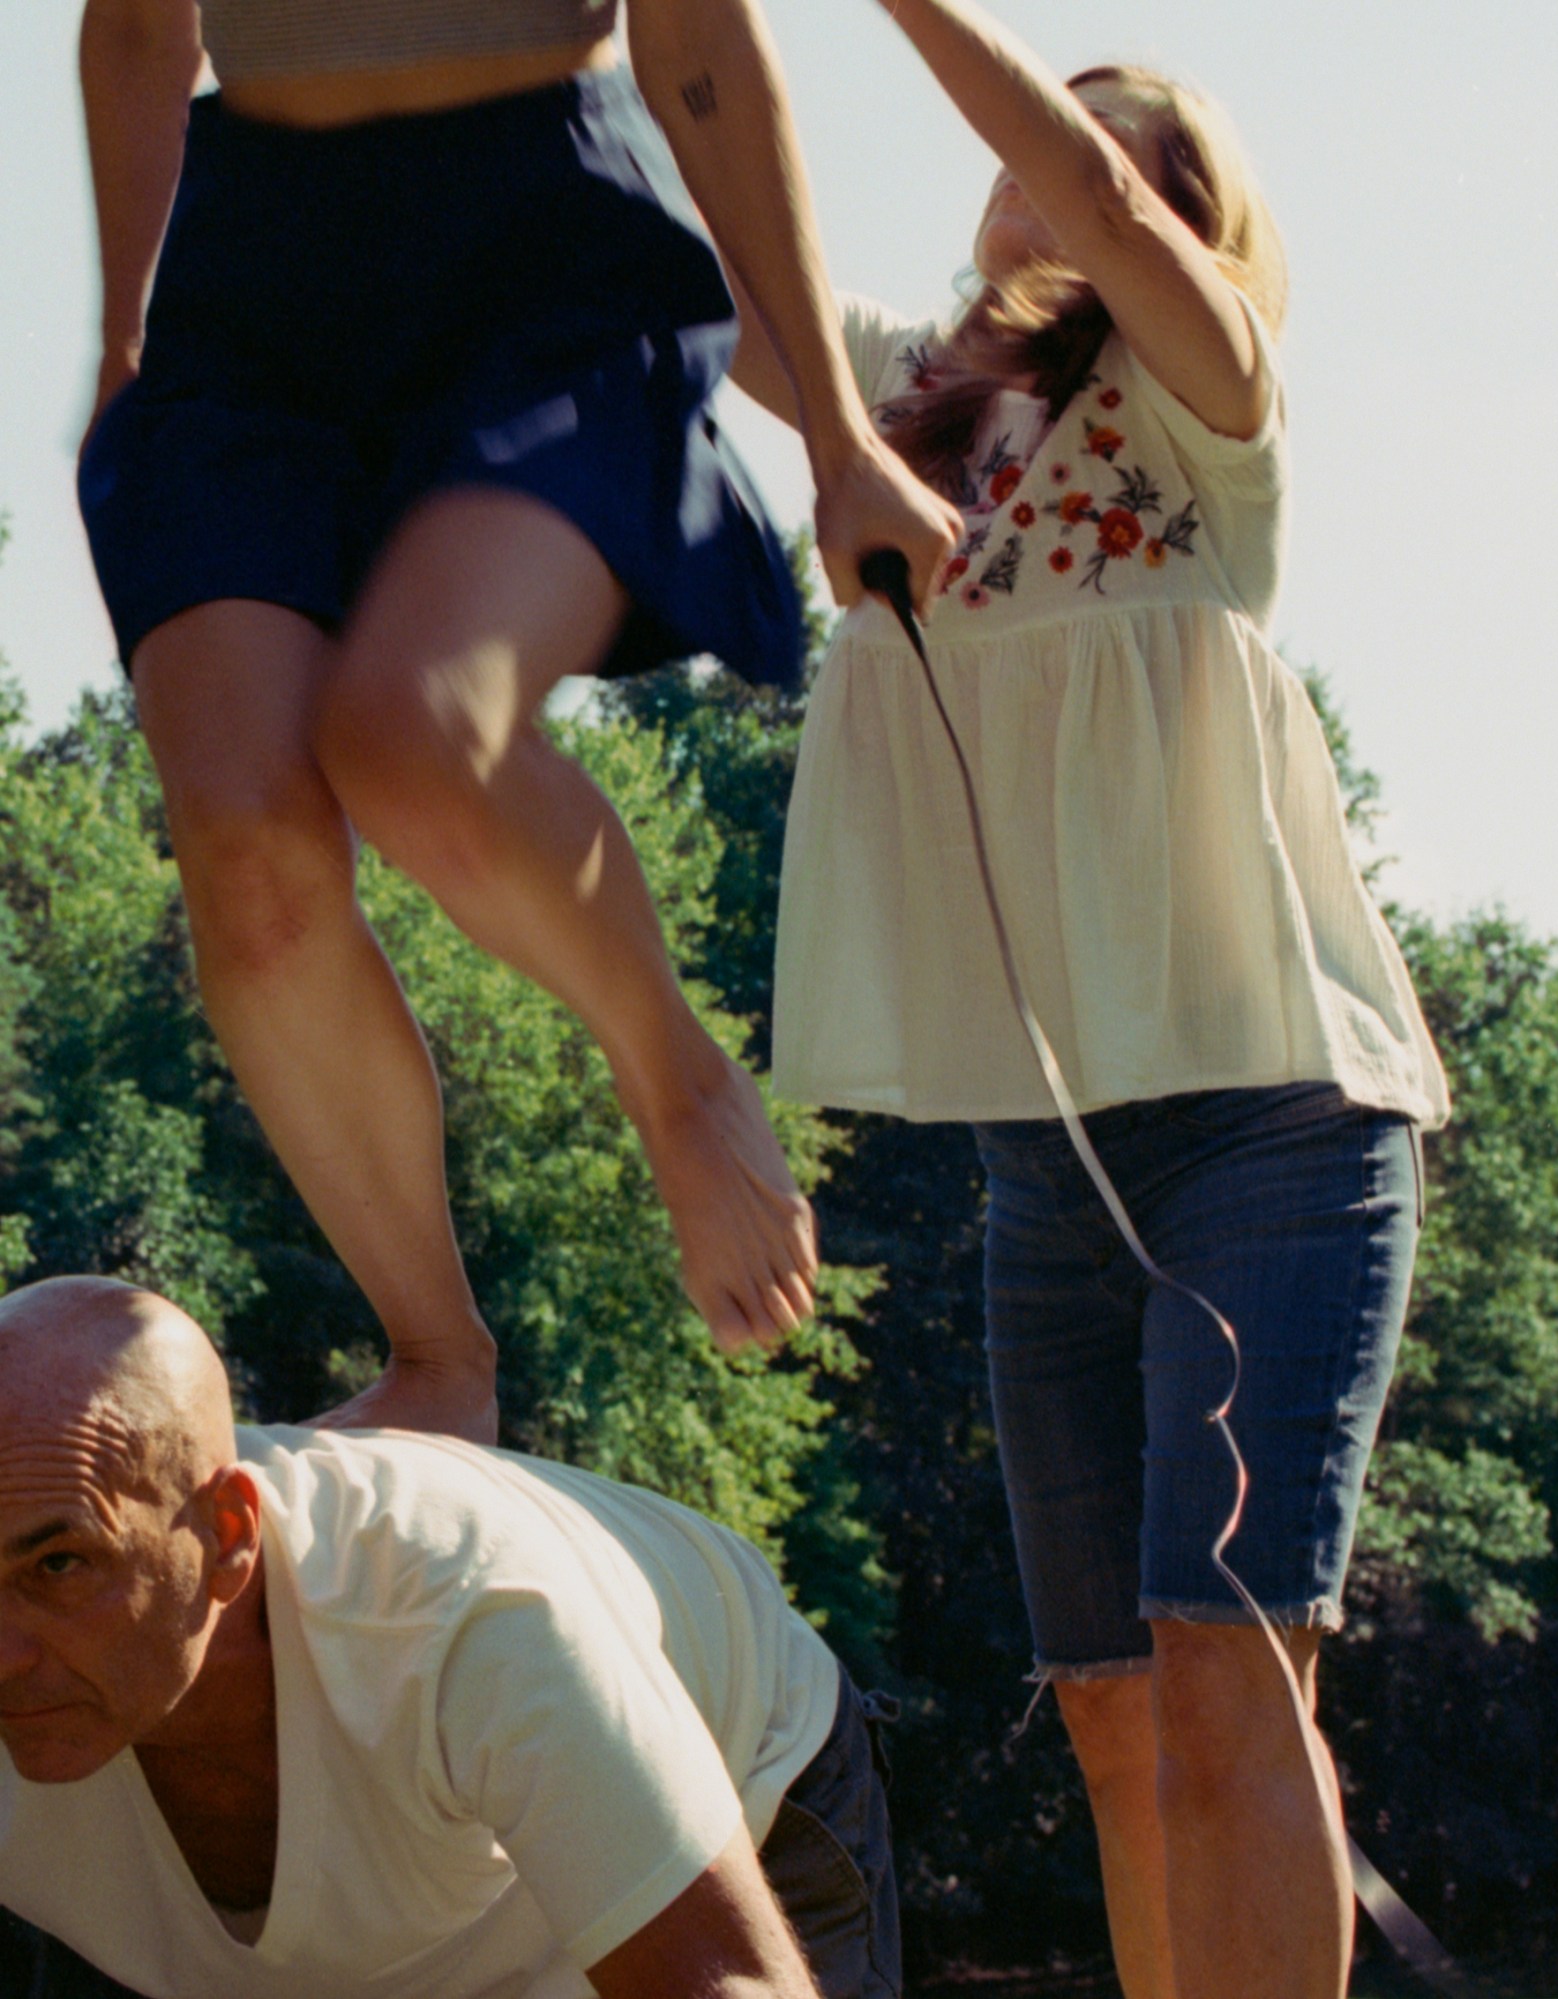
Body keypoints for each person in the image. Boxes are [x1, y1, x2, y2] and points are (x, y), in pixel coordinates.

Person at [729, 5, 1451, 1996]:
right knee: (1108, 1708)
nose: (1063, 177)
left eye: (1109, 160)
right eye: (1036, 150)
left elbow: (1115, 218)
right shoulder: (892, 399)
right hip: (1043, 1158)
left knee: (1228, 1666)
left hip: (1271, 1123)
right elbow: (691, 254)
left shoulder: (1212, 413)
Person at [74, 0, 960, 1442]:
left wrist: (846, 443)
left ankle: (675, 1076)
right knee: (247, 845)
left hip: (541, 255)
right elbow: (133, 29)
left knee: (417, 734)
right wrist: (122, 348)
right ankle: (436, 1351)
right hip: (251, 284)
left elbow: (704, 52)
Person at [0, 1275, 902, 1999]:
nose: (5, 1657)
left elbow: (734, 1981)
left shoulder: (475, 1619)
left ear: (228, 1533)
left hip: (739, 1789)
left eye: (60, 1566)